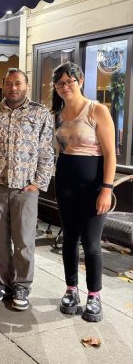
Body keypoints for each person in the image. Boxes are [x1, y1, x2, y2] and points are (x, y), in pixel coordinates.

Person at [0, 68, 54, 311]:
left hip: (25, 187)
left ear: (26, 86)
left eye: (18, 83)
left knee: (23, 239)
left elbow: (47, 151)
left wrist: (38, 184)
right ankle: (3, 282)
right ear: (3, 86)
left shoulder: (40, 114)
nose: (13, 88)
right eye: (9, 83)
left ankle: (22, 284)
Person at [51, 62, 116, 322]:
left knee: (91, 243)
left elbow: (111, 154)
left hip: (93, 186)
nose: (65, 87)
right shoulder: (56, 114)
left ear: (80, 81)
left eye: (70, 81)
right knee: (69, 238)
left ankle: (94, 295)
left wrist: (106, 189)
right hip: (65, 183)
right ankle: (70, 290)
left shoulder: (97, 110)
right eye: (60, 83)